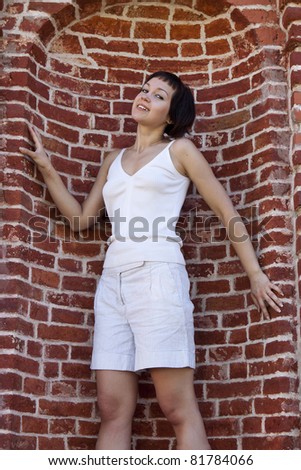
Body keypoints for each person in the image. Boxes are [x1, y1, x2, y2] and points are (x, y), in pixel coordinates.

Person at [20, 71, 283, 450]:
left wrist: (255, 274)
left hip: (159, 276)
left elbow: (227, 213)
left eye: (158, 95)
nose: (145, 96)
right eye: (145, 89)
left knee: (176, 406)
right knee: (112, 409)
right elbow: (80, 221)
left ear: (172, 116)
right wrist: (47, 169)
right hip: (113, 283)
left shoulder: (180, 150)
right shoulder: (114, 159)